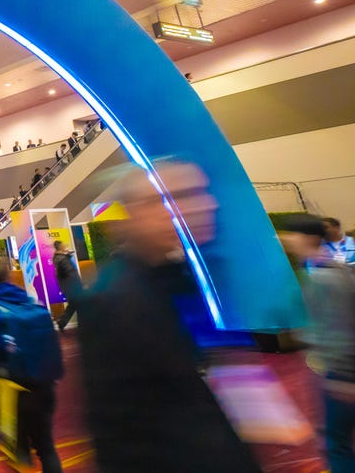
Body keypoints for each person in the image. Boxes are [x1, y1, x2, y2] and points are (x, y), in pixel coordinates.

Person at [76, 161, 260, 472]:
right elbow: (116, 430)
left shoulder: (186, 275)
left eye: (203, 192)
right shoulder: (114, 298)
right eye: (182, 196)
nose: (207, 204)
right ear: (136, 213)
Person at [0, 258, 64, 473]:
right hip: (43, 384)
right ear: (9, 275)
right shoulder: (30, 302)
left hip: (11, 390)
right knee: (46, 448)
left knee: (18, 452)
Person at [282, 214, 355, 472]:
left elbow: (340, 329)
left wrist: (343, 377)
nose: (286, 240)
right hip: (340, 370)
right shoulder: (334, 270)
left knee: (335, 443)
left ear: (308, 238)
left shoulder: (322, 278)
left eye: (292, 234)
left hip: (339, 372)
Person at [52, 242, 82, 332]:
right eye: (64, 245)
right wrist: (78, 285)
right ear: (61, 247)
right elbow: (70, 273)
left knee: (74, 305)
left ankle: (62, 323)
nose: (65, 246)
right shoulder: (62, 259)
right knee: (79, 304)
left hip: (68, 286)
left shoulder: (60, 258)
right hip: (71, 286)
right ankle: (83, 326)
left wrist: (67, 255)